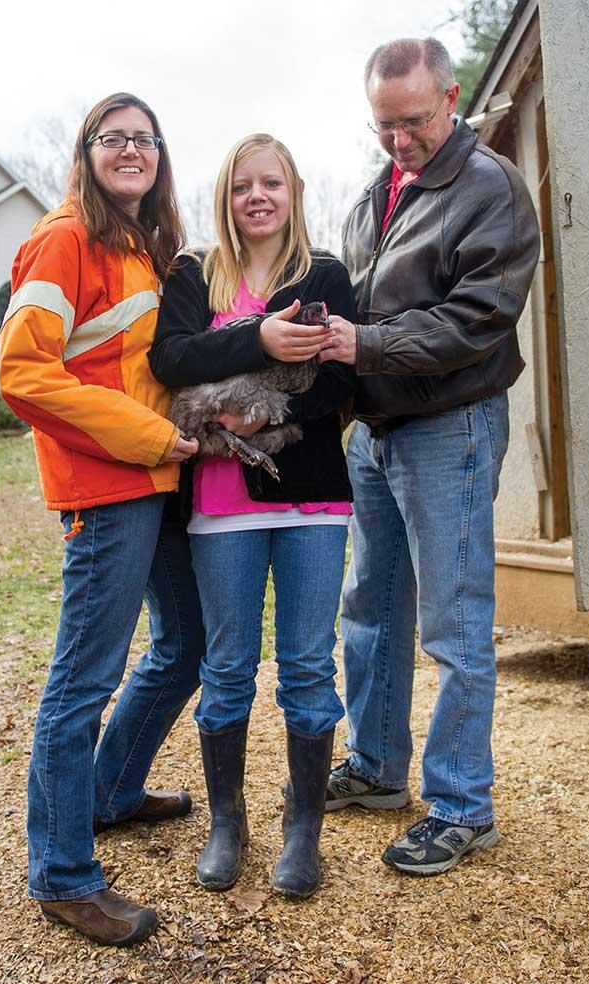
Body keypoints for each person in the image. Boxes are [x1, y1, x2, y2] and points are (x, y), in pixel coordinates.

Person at [307, 37, 541, 875]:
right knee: (369, 610)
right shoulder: (377, 193)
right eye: (382, 127)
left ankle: (462, 804)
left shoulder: (492, 189)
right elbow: (360, 299)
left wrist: (361, 345)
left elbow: (474, 320)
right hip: (378, 430)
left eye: (411, 122)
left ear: (450, 98)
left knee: (454, 619)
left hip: (453, 425)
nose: (397, 141)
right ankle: (376, 767)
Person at [0, 92, 204, 947]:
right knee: (84, 679)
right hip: (107, 484)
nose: (129, 151)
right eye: (111, 139)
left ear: (159, 156)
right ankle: (62, 872)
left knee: (188, 643)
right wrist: (156, 435)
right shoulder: (64, 237)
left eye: (143, 139)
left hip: (158, 483)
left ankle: (112, 791)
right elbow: (23, 372)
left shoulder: (147, 247)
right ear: (85, 154)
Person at [151, 134, 358, 899]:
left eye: (271, 183)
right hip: (221, 497)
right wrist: (259, 338)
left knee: (307, 664)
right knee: (228, 667)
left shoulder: (326, 274)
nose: (257, 197)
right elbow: (169, 359)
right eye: (243, 186)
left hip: (311, 496)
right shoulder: (195, 273)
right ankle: (226, 823)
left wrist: (264, 415)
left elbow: (339, 382)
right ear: (226, 197)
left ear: (294, 191)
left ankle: (303, 830)